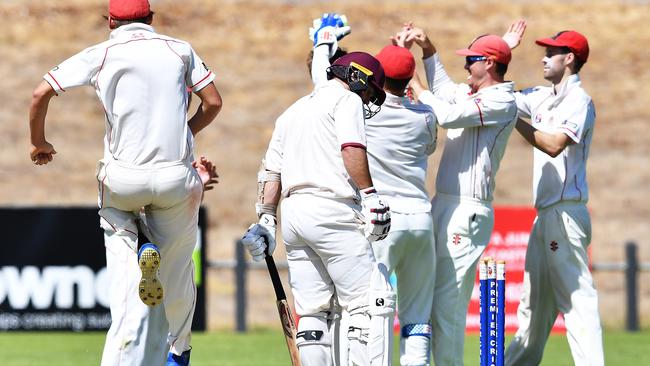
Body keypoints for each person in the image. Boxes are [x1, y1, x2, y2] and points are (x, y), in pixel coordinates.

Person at [28, 0, 222, 364]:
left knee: (119, 243)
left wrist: (39, 142)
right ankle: (179, 352)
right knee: (179, 271)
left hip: (123, 179)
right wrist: (186, 136)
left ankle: (133, 249)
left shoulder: (102, 53)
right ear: (150, 18)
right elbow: (212, 102)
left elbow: (41, 92)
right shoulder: (179, 50)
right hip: (175, 177)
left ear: (110, 22)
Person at [241, 18, 395, 366]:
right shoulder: (347, 102)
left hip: (294, 218)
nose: (368, 100)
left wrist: (266, 220)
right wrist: (370, 195)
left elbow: (270, 172)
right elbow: (351, 148)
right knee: (366, 301)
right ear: (358, 78)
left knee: (312, 312)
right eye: (370, 91)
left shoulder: (291, 111)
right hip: (333, 210)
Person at [404, 25, 518, 365]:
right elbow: (445, 91)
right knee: (431, 301)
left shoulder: (502, 98)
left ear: (491, 64)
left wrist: (418, 89)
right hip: (445, 203)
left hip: (467, 210)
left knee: (448, 308)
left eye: (472, 60)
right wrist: (428, 49)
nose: (467, 66)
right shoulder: (475, 93)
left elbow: (448, 115)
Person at [500, 25, 604, 366]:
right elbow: (499, 96)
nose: (544, 57)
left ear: (569, 58)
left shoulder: (579, 100)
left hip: (566, 213)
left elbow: (554, 144)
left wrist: (516, 120)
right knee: (533, 307)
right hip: (544, 217)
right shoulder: (541, 96)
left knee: (576, 301)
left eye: (551, 52)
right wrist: (502, 49)